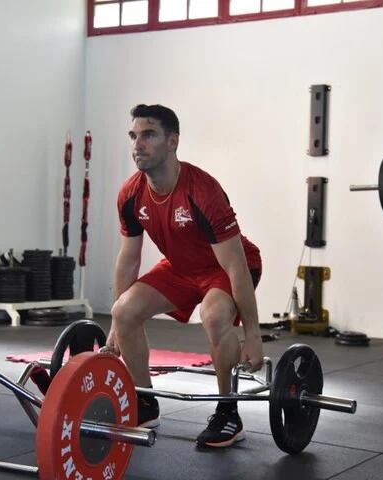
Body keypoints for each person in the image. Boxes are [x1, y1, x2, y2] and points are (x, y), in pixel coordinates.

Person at [105, 104, 263, 449]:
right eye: (133, 136)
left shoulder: (202, 191)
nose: (137, 144)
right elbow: (128, 259)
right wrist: (116, 328)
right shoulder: (131, 195)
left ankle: (228, 413)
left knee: (214, 314)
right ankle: (144, 402)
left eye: (148, 135)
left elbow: (235, 265)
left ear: (172, 141)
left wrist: (252, 334)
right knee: (123, 312)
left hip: (226, 267)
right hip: (181, 268)